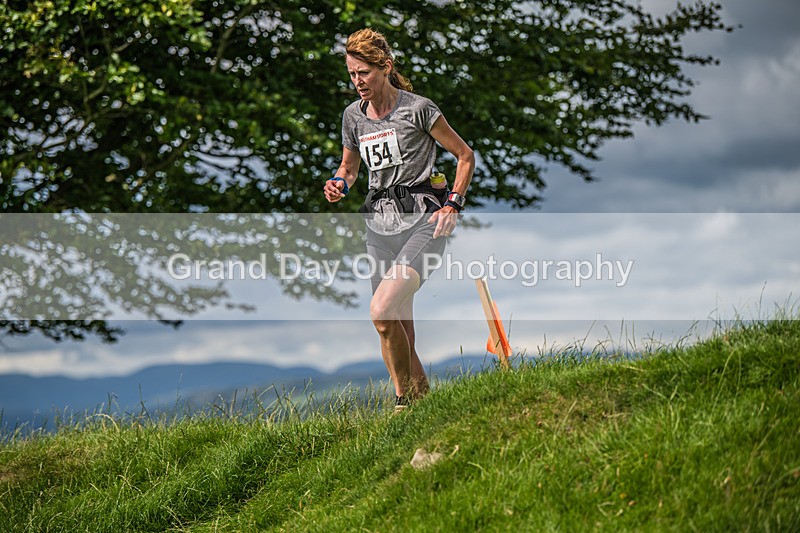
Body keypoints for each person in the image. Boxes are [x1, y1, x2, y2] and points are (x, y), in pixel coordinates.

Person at [324, 28, 474, 411]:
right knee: (391, 323)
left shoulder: (419, 109)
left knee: (381, 310)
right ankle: (420, 405)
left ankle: (402, 402)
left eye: (364, 73)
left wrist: (453, 205)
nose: (357, 81)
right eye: (352, 73)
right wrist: (339, 183)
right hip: (378, 228)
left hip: (423, 222)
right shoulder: (353, 117)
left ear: (386, 68)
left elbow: (465, 155)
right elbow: (349, 168)